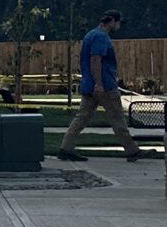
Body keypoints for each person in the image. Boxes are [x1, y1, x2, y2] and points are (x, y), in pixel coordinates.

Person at [57, 10, 140, 162]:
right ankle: (132, 150)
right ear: (112, 21)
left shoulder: (90, 35)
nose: (119, 26)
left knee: (81, 118)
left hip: (89, 85)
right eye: (119, 23)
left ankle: (66, 148)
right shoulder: (101, 37)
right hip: (105, 85)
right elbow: (96, 60)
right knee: (117, 117)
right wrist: (99, 83)